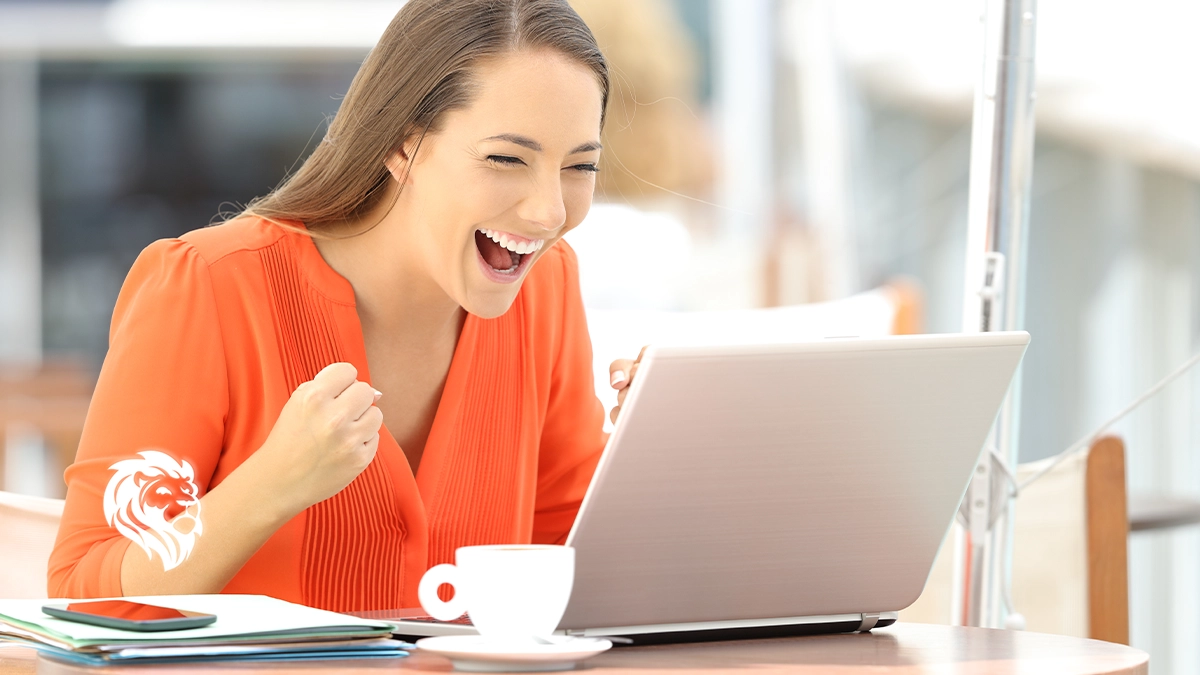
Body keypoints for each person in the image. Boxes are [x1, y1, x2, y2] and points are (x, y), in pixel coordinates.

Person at [48, 0, 642, 613]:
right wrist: (269, 486)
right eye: (505, 158)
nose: (549, 212)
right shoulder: (207, 286)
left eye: (580, 165)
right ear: (402, 147)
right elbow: (85, 593)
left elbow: (569, 558)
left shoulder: (546, 286)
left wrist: (653, 452)